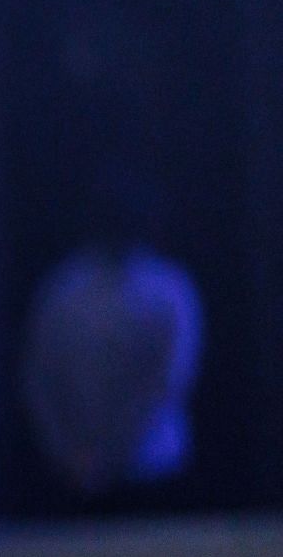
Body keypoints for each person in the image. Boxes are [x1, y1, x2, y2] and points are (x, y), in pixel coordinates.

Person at [21, 187, 203, 513]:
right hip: (75, 473)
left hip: (152, 469)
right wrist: (68, 453)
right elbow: (40, 379)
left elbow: (165, 384)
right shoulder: (65, 289)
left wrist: (109, 454)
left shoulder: (166, 288)